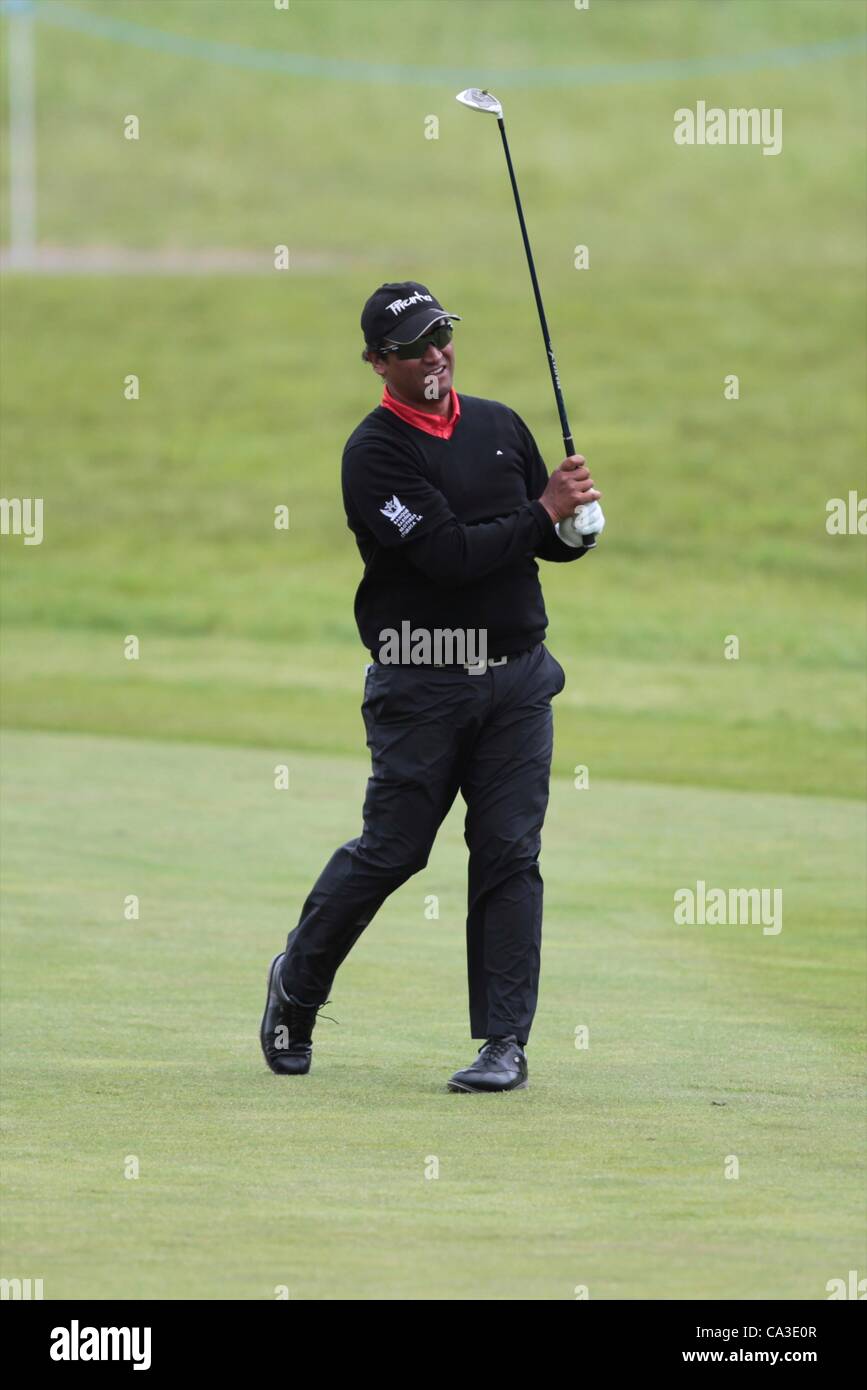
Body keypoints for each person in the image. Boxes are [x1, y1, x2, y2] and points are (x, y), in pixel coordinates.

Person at [260, 281, 603, 1092]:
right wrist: (541, 512)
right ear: (380, 363)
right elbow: (447, 556)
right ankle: (296, 986)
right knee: (393, 851)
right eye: (415, 346)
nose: (435, 353)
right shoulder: (373, 453)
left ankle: (502, 1044)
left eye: (441, 335)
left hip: (517, 678)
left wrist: (572, 528)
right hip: (422, 676)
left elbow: (532, 543)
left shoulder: (497, 425)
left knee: (509, 853)